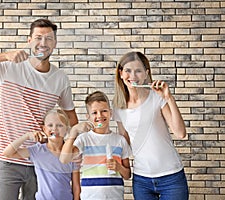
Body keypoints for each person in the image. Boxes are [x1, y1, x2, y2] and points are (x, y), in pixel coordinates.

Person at [0, 18, 78, 200]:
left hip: (40, 160)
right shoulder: (10, 67)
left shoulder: (60, 78)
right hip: (7, 159)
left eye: (49, 39)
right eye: (38, 38)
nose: (43, 43)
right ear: (29, 40)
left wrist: (68, 148)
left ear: (55, 44)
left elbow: (70, 117)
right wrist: (4, 56)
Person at [112, 51, 189, 200]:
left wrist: (169, 98)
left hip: (171, 177)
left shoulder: (156, 97)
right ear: (121, 74)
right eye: (128, 70)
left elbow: (180, 133)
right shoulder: (118, 107)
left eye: (138, 71)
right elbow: (124, 141)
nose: (132, 76)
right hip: (142, 180)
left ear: (146, 74)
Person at [60, 91, 131, 200]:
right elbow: (64, 159)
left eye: (104, 111)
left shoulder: (120, 141)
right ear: (88, 116)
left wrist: (119, 167)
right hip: (90, 197)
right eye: (94, 113)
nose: (100, 116)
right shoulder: (84, 139)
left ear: (110, 113)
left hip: (115, 196)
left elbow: (127, 175)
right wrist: (73, 132)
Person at [3, 109, 80, 200]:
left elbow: (76, 187)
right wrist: (26, 136)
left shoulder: (71, 153)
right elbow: (7, 153)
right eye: (50, 125)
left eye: (59, 125)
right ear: (44, 129)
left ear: (66, 129)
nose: (54, 129)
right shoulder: (37, 150)